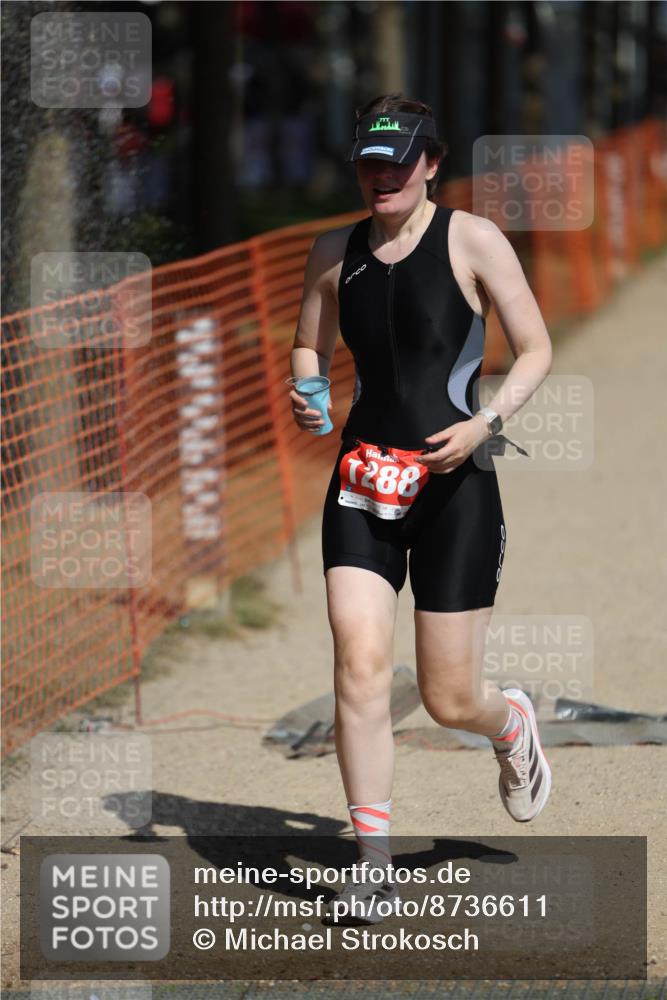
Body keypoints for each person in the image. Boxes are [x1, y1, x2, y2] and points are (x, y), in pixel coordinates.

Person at [288, 94, 553, 925]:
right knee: (359, 664)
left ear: (430, 162)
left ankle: (507, 725)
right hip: (362, 483)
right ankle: (372, 860)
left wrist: (484, 425)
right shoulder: (334, 250)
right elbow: (309, 339)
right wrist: (305, 387)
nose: (382, 176)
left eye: (398, 161)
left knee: (447, 699)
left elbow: (536, 347)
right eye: (370, 162)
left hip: (454, 488)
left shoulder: (471, 239)